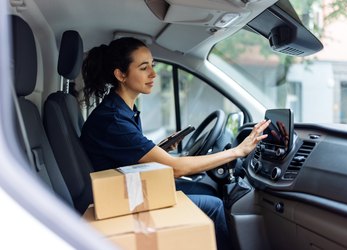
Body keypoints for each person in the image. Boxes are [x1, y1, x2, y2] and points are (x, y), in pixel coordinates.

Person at [80, 37, 270, 250]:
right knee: (214, 204)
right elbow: (176, 169)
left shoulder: (123, 110)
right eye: (144, 68)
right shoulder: (113, 119)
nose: (153, 74)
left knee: (204, 189)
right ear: (120, 74)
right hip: (119, 200)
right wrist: (238, 151)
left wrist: (158, 151)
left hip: (126, 188)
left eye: (152, 65)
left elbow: (125, 156)